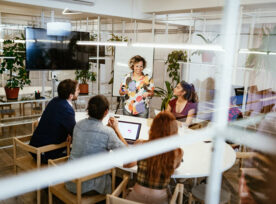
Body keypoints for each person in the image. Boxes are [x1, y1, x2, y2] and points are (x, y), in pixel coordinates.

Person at [65, 95, 127, 195]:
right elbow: (126, 153)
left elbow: (90, 139)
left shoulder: (78, 125)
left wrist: (107, 129)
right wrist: (116, 129)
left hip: (70, 181)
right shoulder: (108, 133)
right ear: (106, 112)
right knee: (120, 181)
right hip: (88, 186)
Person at [125, 111, 183, 204]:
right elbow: (175, 167)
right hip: (159, 200)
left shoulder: (140, 144)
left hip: (135, 198)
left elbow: (126, 164)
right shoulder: (177, 152)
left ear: (153, 127)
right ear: (174, 130)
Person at [29, 79, 79, 164]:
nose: (79, 91)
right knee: (79, 153)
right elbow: (75, 133)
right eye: (77, 90)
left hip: (34, 148)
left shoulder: (54, 100)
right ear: (71, 95)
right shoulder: (67, 109)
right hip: (44, 153)